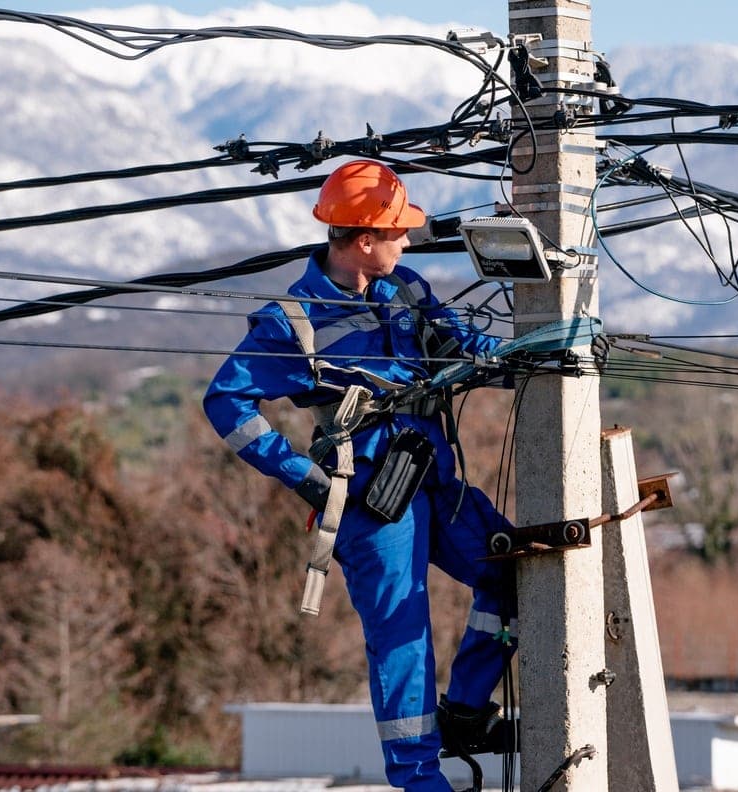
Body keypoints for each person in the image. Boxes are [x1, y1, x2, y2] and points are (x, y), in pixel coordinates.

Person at [203, 160, 515, 792]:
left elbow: (465, 346)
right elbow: (225, 401)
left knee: (514, 573)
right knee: (403, 634)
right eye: (397, 233)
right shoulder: (293, 320)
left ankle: (465, 712)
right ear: (365, 240)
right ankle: (419, 779)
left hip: (432, 478)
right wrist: (304, 477)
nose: (408, 242)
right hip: (373, 500)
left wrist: (536, 357)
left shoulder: (407, 289)